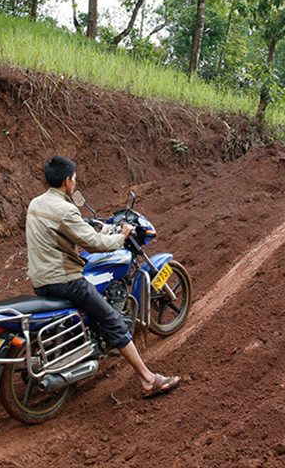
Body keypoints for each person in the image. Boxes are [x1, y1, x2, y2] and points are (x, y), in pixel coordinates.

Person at [25, 155, 180, 398]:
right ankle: (148, 379)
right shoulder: (65, 208)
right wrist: (121, 236)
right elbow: (94, 243)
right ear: (67, 181)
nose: (75, 183)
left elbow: (63, 233)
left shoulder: (36, 203)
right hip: (65, 281)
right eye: (74, 179)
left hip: (40, 280)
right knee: (111, 319)